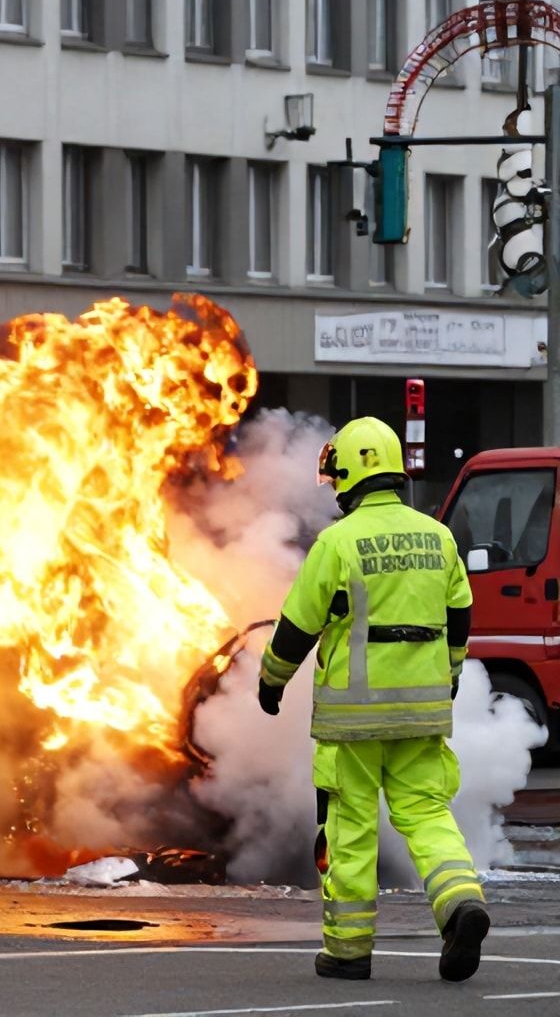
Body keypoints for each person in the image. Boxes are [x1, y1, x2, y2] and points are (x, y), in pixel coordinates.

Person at [257, 416, 489, 983]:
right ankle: (460, 904)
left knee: (350, 828)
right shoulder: (438, 536)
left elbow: (298, 626)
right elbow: (459, 613)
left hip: (352, 724)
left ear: (353, 473)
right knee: (428, 814)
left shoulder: (337, 542)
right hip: (421, 714)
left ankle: (349, 951)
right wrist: (451, 673)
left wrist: (272, 680)